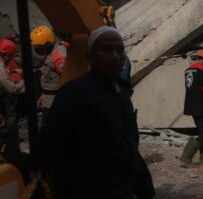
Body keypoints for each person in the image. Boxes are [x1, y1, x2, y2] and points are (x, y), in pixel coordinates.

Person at [41, 26, 154, 198]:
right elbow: (52, 144)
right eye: (107, 50)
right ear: (90, 57)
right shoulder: (75, 92)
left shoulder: (121, 92)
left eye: (119, 50)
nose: (115, 56)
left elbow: (127, 143)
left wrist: (144, 185)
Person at [30, 25, 66, 124]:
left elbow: (68, 78)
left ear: (48, 44)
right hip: (48, 99)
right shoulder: (50, 54)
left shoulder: (57, 57)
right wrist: (43, 95)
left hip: (55, 102)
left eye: (39, 48)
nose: (36, 51)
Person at [0, 39, 23, 159]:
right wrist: (24, 83)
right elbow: (11, 88)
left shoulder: (3, 66)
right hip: (5, 97)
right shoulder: (1, 69)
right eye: (11, 55)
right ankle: (12, 154)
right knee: (9, 125)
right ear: (8, 54)